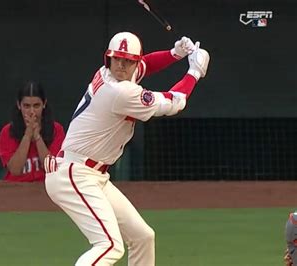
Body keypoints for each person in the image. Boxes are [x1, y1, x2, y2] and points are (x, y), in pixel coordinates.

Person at [44, 32, 210, 265]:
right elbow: (175, 102)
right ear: (108, 59)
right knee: (109, 245)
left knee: (143, 236)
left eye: (128, 60)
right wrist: (195, 72)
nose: (121, 64)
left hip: (92, 174)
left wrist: (175, 54)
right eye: (117, 58)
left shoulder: (110, 74)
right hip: (75, 174)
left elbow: (146, 65)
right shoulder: (120, 92)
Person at [0, 81, 65, 182]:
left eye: (36, 106)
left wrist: (37, 137)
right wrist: (27, 136)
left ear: (44, 104)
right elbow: (15, 170)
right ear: (19, 105)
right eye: (26, 106)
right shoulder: (7, 131)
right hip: (16, 189)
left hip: (45, 188)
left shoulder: (56, 129)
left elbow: (51, 168)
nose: (32, 111)